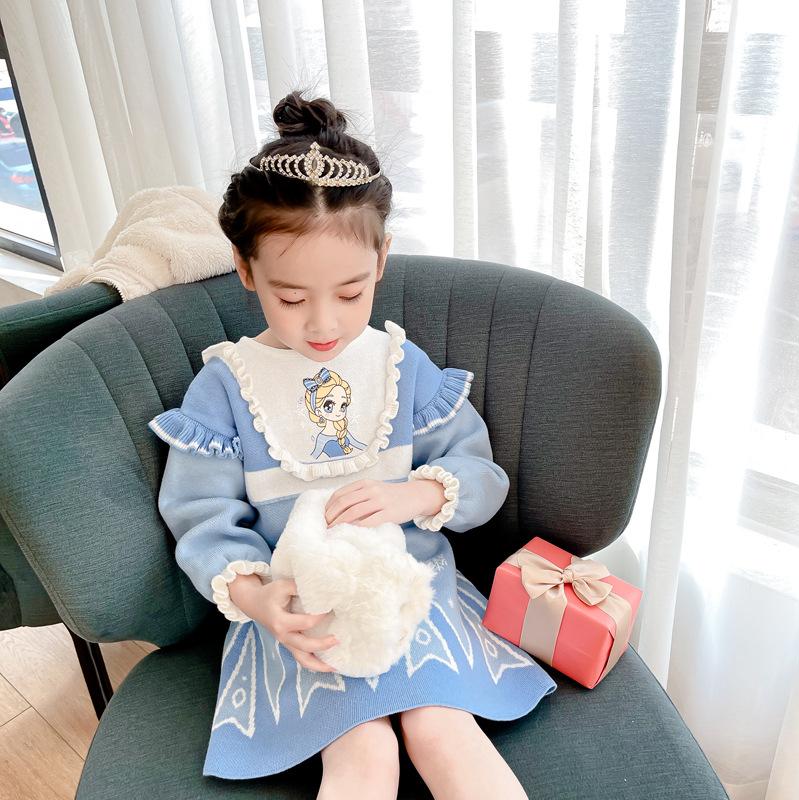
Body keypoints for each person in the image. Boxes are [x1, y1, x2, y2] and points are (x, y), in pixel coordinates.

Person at [147, 88, 557, 799]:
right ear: (245, 270)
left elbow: (478, 473)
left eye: (350, 292)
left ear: (382, 261)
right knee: (363, 751)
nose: (323, 324)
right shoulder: (227, 387)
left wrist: (415, 493)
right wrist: (260, 601)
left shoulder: (401, 367)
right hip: (303, 612)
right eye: (291, 297)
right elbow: (201, 520)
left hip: (414, 595)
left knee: (442, 729)